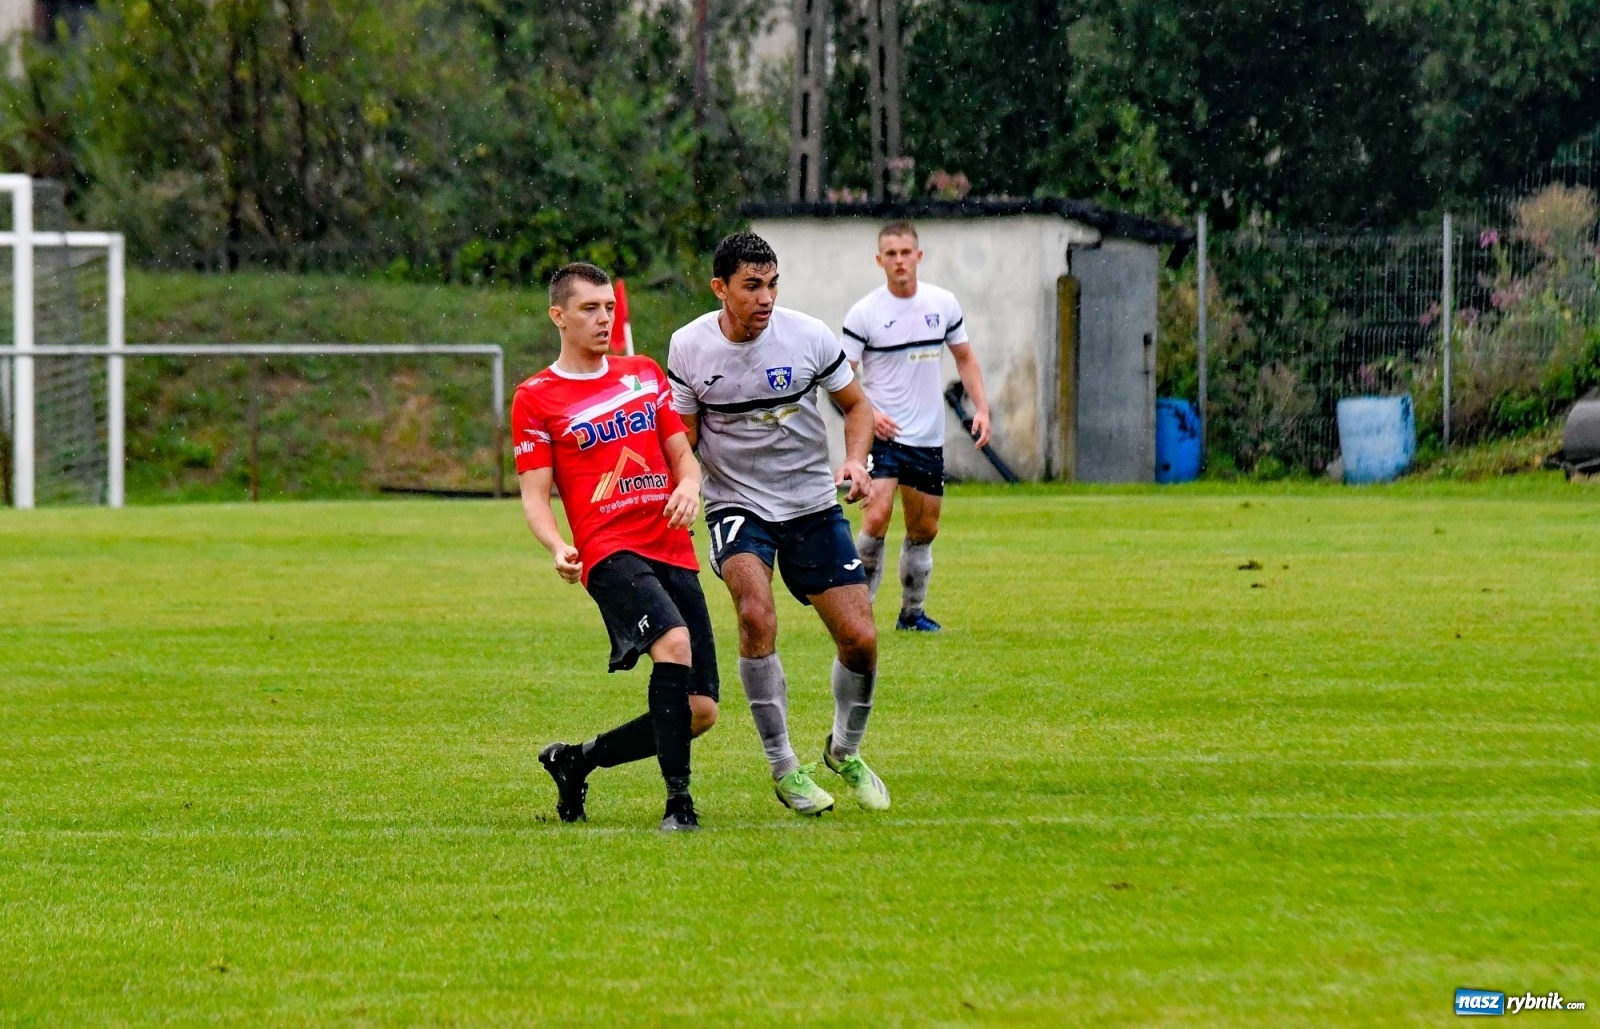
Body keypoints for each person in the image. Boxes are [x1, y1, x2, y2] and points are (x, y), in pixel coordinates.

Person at [666, 232, 890, 816]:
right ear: (720, 288)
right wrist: (681, 485)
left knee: (861, 639)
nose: (766, 298)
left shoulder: (809, 335)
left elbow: (857, 406)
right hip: (736, 504)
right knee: (754, 613)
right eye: (751, 286)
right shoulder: (689, 347)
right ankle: (785, 767)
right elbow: (683, 437)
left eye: (772, 285)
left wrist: (855, 461)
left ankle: (844, 751)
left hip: (811, 503)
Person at [515, 262, 719, 833]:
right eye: (589, 309)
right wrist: (557, 544)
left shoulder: (644, 373)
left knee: (700, 711)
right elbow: (534, 495)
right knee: (673, 643)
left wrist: (688, 486)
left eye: (608, 307)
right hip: (608, 551)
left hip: (671, 544)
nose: (604, 318)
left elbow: (682, 456)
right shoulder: (535, 397)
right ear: (559, 316)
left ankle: (577, 760)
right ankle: (679, 804)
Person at [841, 221, 992, 632]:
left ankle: (912, 614)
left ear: (918, 256)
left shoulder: (942, 304)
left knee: (924, 529)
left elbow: (965, 357)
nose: (899, 261)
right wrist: (870, 413)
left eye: (906, 252)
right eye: (891, 254)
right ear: (879, 261)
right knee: (876, 519)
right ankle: (858, 617)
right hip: (882, 436)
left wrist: (982, 408)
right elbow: (841, 377)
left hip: (926, 437)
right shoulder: (865, 313)